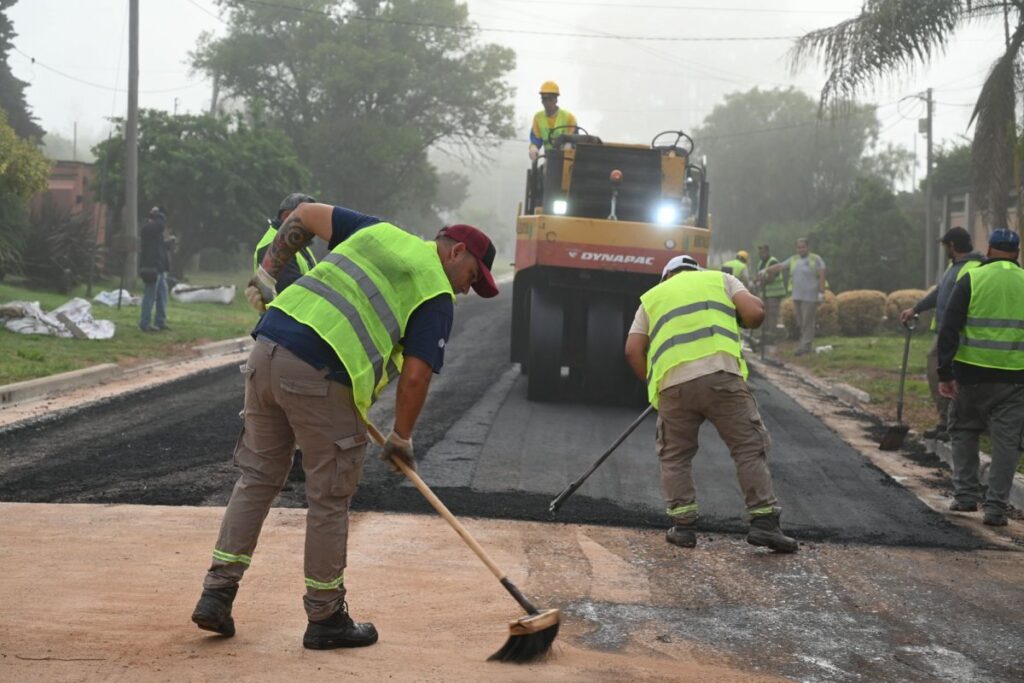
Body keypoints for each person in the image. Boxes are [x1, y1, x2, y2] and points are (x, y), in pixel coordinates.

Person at [191, 203, 499, 648]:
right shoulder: (435, 293)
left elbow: (305, 213)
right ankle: (325, 617)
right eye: (474, 277)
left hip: (267, 351)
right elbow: (416, 375)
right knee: (330, 497)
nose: (469, 290)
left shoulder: (379, 232)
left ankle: (216, 594)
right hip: (321, 376)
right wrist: (401, 437)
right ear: (457, 253)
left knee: (257, 478)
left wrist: (268, 270)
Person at [623, 253, 798, 553]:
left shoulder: (652, 298)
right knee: (747, 448)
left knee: (675, 456)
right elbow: (755, 314)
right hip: (722, 378)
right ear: (695, 270)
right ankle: (765, 524)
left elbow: (632, 351)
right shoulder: (721, 280)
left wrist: (657, 385)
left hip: (674, 387)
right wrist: (739, 315)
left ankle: (683, 528)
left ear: (667, 276)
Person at [937, 228, 1024, 527]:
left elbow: (949, 328)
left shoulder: (971, 279)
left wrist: (944, 373)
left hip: (970, 375)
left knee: (963, 430)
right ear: (1016, 252)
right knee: (1007, 444)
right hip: (1014, 380)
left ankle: (965, 497)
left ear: (988, 250)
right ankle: (996, 509)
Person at [249, 192, 320, 485]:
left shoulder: (299, 245)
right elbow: (295, 290)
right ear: (286, 217)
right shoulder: (273, 245)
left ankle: (292, 461)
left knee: (297, 401)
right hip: (287, 332)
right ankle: (286, 463)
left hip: (295, 330)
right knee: (294, 401)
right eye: (308, 216)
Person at [899, 227, 984, 439]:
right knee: (938, 370)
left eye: (946, 245)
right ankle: (945, 420)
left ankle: (951, 423)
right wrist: (916, 309)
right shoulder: (954, 267)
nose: (945, 249)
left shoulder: (973, 269)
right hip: (945, 332)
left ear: (952, 246)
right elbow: (939, 293)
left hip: (959, 334)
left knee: (948, 375)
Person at [762, 238, 826, 356]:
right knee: (801, 322)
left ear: (807, 247)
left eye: (803, 247)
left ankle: (804, 346)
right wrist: (766, 270)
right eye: (799, 247)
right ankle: (805, 343)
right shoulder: (794, 259)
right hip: (797, 296)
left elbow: (822, 273)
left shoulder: (815, 259)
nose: (801, 249)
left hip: (810, 296)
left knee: (807, 321)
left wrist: (821, 292)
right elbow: (780, 266)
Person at [252, 193, 319, 294]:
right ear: (287, 216)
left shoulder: (298, 243)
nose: (314, 224)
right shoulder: (275, 247)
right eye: (308, 217)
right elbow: (293, 291)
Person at [138, 206, 172, 332]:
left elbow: (159, 247)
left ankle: (160, 321)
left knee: (162, 296)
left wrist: (167, 245)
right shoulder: (148, 228)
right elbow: (160, 225)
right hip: (151, 267)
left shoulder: (155, 232)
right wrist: (158, 215)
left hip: (160, 268)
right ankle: (145, 323)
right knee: (149, 296)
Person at [528, 80, 578, 162]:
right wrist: (533, 148)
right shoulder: (538, 118)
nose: (547, 102)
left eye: (550, 99)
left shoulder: (569, 117)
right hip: (549, 158)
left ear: (556, 99)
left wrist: (568, 147)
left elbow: (575, 139)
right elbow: (536, 139)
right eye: (544, 99)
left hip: (567, 159)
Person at [755, 244, 786, 341]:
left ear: (768, 251)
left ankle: (772, 334)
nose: (761, 254)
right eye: (760, 252)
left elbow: (771, 278)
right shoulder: (761, 263)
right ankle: (765, 333)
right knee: (765, 313)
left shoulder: (772, 261)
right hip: (765, 293)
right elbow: (759, 276)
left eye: (763, 252)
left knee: (772, 314)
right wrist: (758, 280)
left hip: (775, 293)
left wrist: (760, 281)